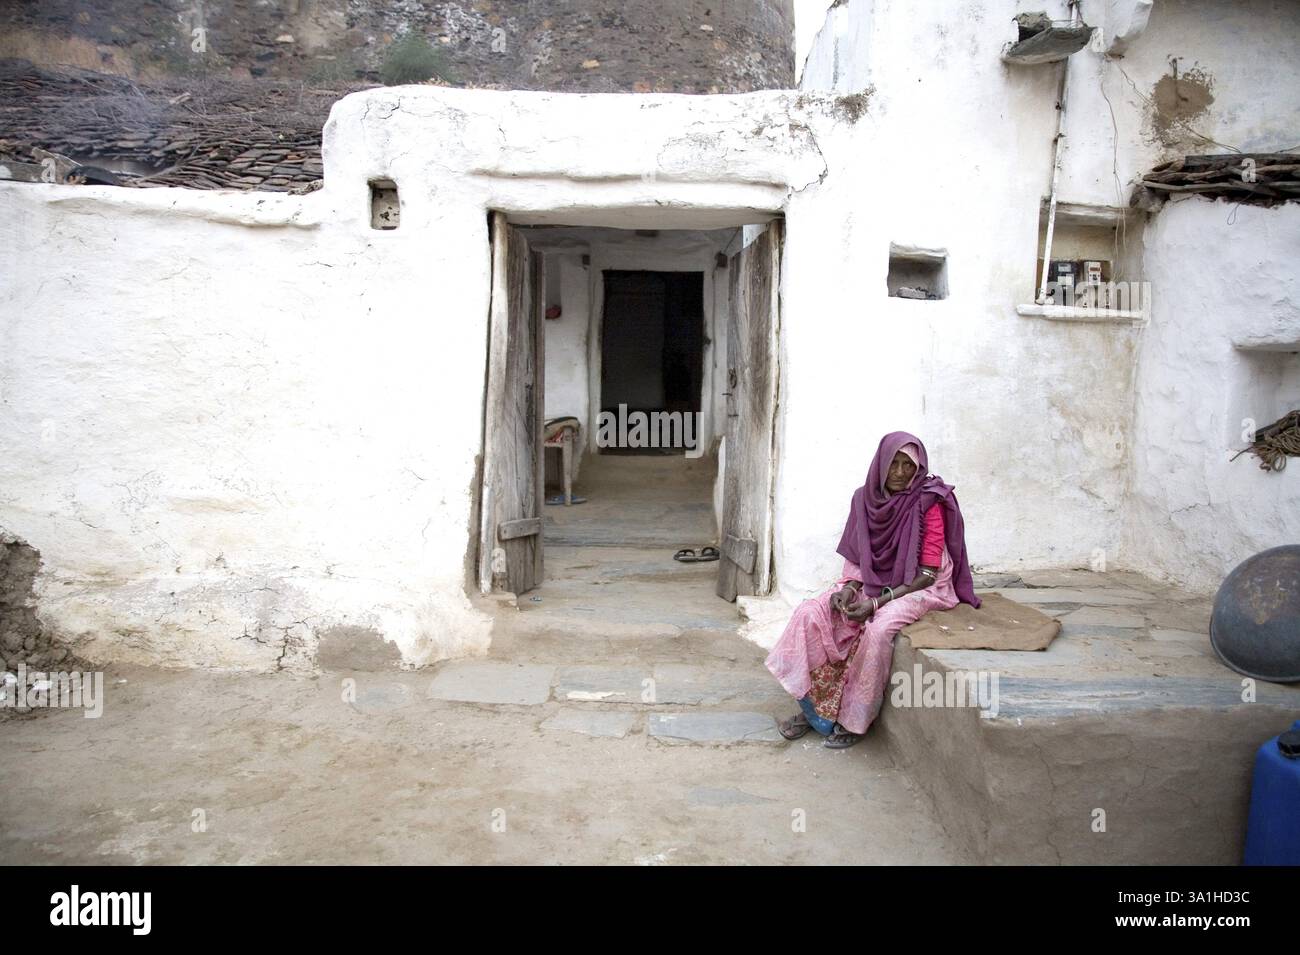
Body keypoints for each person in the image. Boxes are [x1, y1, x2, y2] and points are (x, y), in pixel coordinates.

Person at [765, 431, 980, 748]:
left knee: (878, 631)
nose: (901, 473)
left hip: (921, 586)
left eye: (909, 466)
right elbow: (858, 561)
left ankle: (854, 720)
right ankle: (814, 711)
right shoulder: (863, 499)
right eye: (894, 464)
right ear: (881, 464)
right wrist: (849, 590)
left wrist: (877, 604)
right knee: (812, 612)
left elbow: (927, 571)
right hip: (874, 580)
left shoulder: (928, 502)